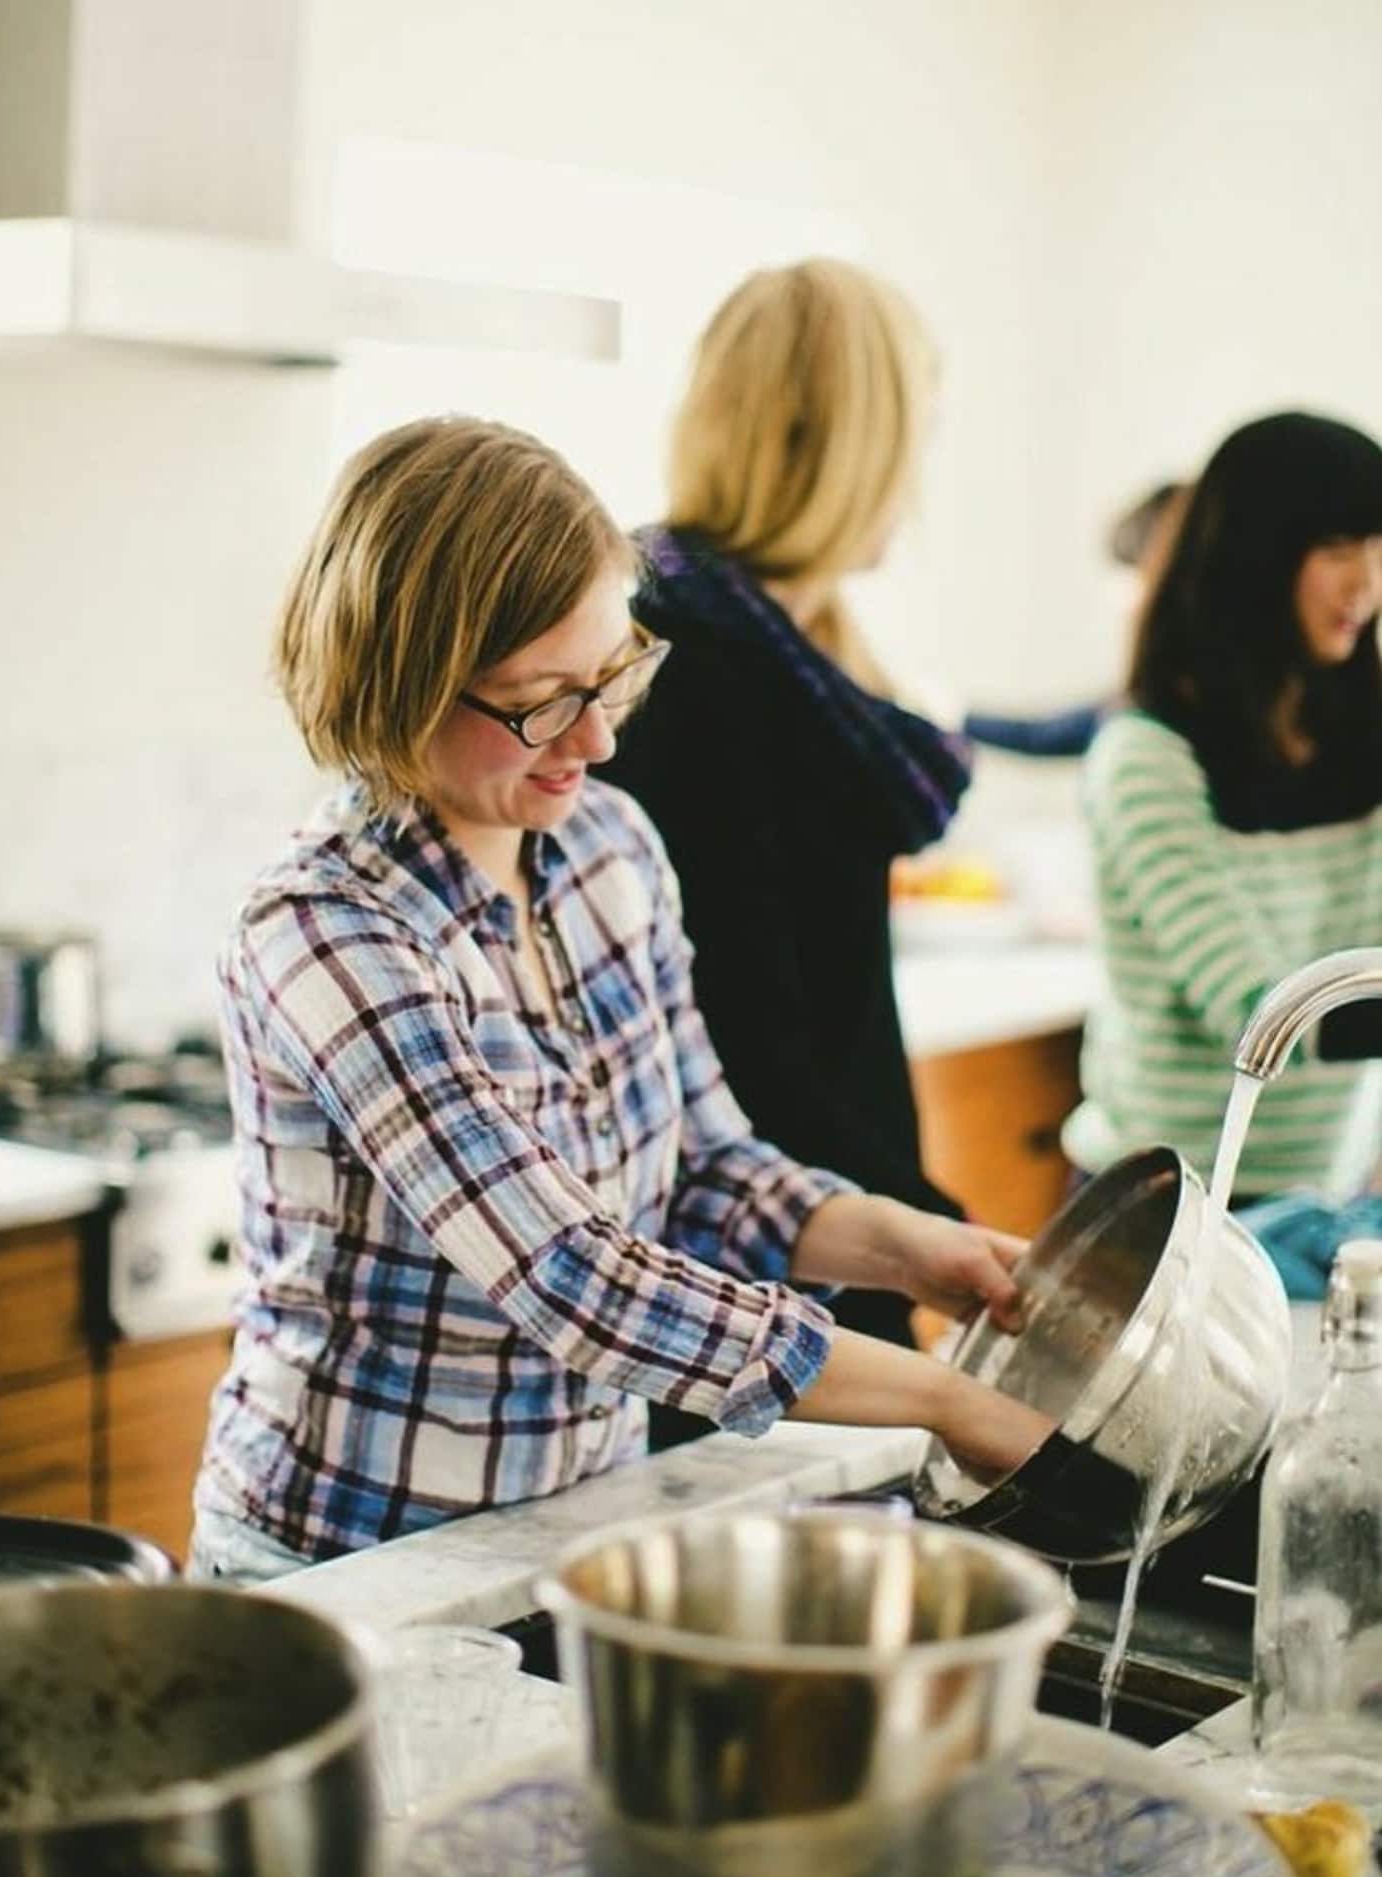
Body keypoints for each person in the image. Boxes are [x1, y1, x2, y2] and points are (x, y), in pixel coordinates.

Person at [189, 416, 1048, 1582]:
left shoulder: (610, 851)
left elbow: (705, 1170)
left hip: (570, 1529)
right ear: (396, 685)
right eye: (541, 702)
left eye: (612, 677)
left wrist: (916, 1251)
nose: (592, 740)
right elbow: (573, 1279)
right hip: (340, 1564)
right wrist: (943, 1401)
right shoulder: (330, 929)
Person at [604, 261, 970, 1397]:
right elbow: (746, 1044)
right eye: (911, 434)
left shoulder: (805, 657)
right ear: (846, 448)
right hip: (757, 1270)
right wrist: (923, 1232)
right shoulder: (692, 671)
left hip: (845, 1218)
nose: (917, 476)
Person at [1062, 411, 1382, 1206]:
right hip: (1162, 1211)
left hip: (1318, 1201)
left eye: (1379, 549)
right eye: (1340, 550)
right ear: (1258, 561)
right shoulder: (1148, 759)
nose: (1368, 584)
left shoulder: (1361, 741)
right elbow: (1258, 1013)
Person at [962, 481, 1187, 758]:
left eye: (1132, 584)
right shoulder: (1141, 709)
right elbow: (1039, 736)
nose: (1124, 604)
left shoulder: (1147, 725)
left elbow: (1043, 736)